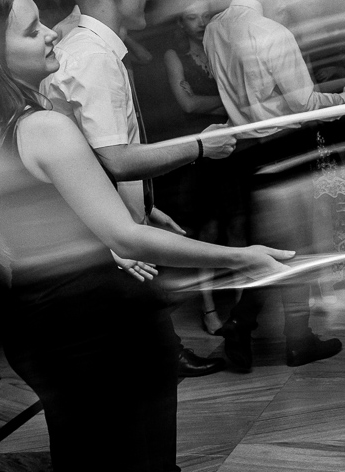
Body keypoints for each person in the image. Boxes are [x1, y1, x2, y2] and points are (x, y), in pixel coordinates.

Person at [0, 0, 291, 472]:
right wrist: (239, 256)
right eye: (31, 29)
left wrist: (92, 241)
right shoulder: (43, 127)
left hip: (35, 325)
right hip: (92, 329)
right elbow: (124, 234)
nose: (51, 33)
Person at [40, 0, 234, 379]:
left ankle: (166, 358)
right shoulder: (93, 57)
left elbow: (91, 153)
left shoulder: (93, 50)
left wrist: (146, 204)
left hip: (111, 225)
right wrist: (200, 146)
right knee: (132, 362)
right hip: (104, 239)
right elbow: (116, 159)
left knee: (140, 340)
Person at [204, 0, 345, 371]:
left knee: (273, 247)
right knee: (295, 247)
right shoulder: (271, 31)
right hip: (284, 145)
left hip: (245, 150)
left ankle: (257, 329)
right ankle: (283, 336)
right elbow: (304, 103)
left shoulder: (214, 29)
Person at [161, 0, 239, 335]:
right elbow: (188, 103)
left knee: (237, 225)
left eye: (205, 16)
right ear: (181, 23)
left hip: (233, 145)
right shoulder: (174, 56)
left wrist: (228, 104)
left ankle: (240, 305)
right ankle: (209, 309)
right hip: (201, 152)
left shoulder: (221, 47)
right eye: (191, 18)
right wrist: (228, 103)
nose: (200, 22)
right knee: (206, 230)